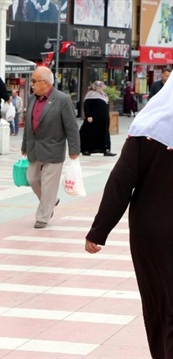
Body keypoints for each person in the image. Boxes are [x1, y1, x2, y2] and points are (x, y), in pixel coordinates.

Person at [85, 75, 173, 359]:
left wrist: (98, 232)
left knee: (162, 305)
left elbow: (121, 182)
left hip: (152, 237)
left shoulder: (147, 129)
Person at [21, 66, 80, 229]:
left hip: (54, 149)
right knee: (32, 178)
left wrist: (74, 149)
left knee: (48, 184)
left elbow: (71, 127)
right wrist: (24, 144)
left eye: (34, 81)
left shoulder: (62, 99)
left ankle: (43, 216)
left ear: (45, 83)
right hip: (34, 149)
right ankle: (51, 201)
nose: (31, 84)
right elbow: (28, 124)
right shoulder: (32, 98)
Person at [80, 81, 116, 156]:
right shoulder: (90, 94)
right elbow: (86, 105)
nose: (102, 88)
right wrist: (88, 115)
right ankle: (86, 149)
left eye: (102, 86)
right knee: (90, 133)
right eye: (100, 86)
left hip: (103, 119)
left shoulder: (103, 95)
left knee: (104, 133)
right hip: (93, 119)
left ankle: (106, 150)